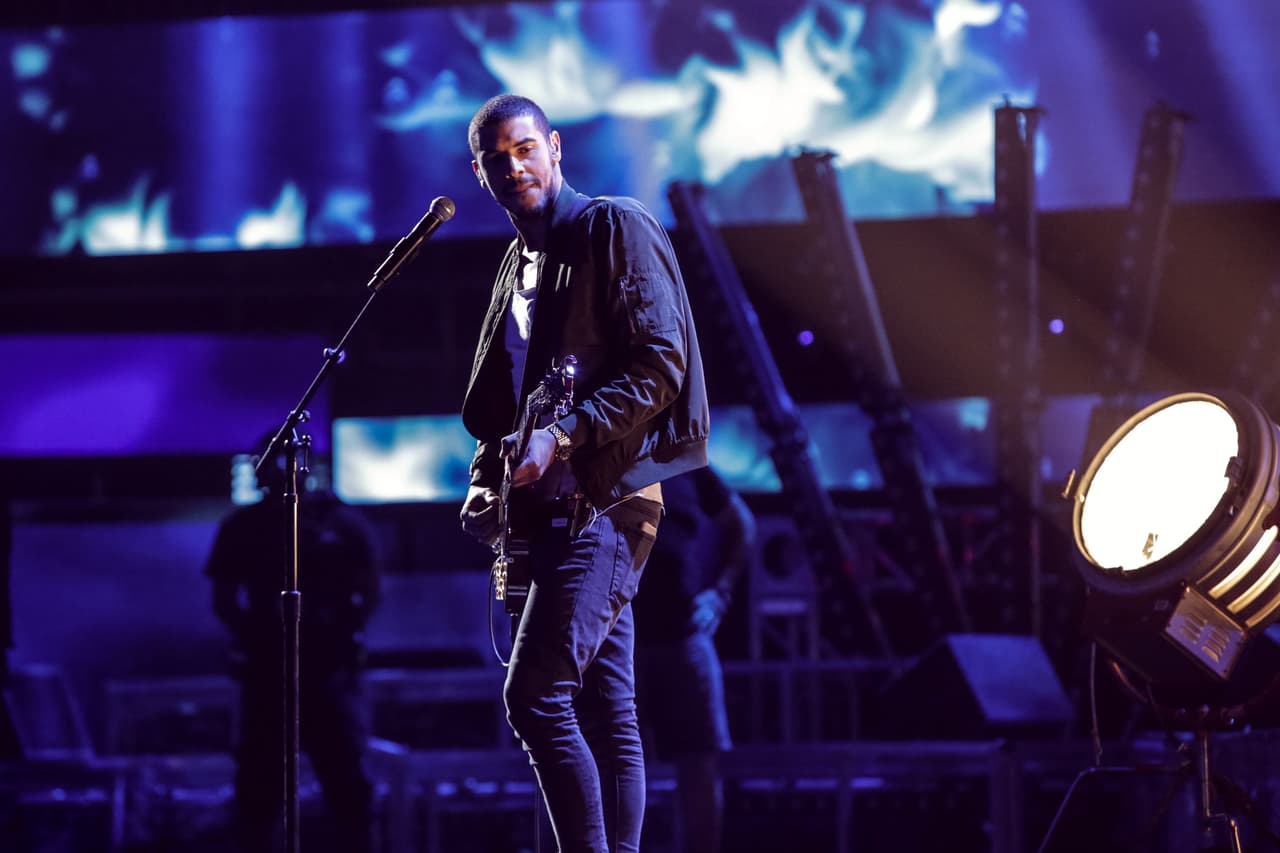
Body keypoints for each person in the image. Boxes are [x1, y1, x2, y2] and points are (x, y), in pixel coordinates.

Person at [458, 93, 709, 853]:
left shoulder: (612, 226)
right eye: (497, 159)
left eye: (525, 148)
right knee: (607, 709)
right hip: (549, 514)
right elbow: (509, 398)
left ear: (555, 148)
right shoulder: (517, 265)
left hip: (606, 501)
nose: (515, 166)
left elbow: (660, 363)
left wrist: (564, 437)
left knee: (534, 698)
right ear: (480, 174)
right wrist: (485, 478)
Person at [204, 443, 381, 853]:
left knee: (346, 780)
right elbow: (224, 599)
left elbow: (370, 589)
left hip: (330, 666)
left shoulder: (342, 523)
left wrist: (344, 632)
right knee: (258, 786)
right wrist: (258, 636)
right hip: (268, 668)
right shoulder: (243, 526)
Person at [633, 466, 754, 853]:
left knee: (700, 767)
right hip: (616, 645)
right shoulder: (598, 455)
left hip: (683, 638)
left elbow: (742, 523)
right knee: (615, 768)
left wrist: (721, 592)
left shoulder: (687, 465)